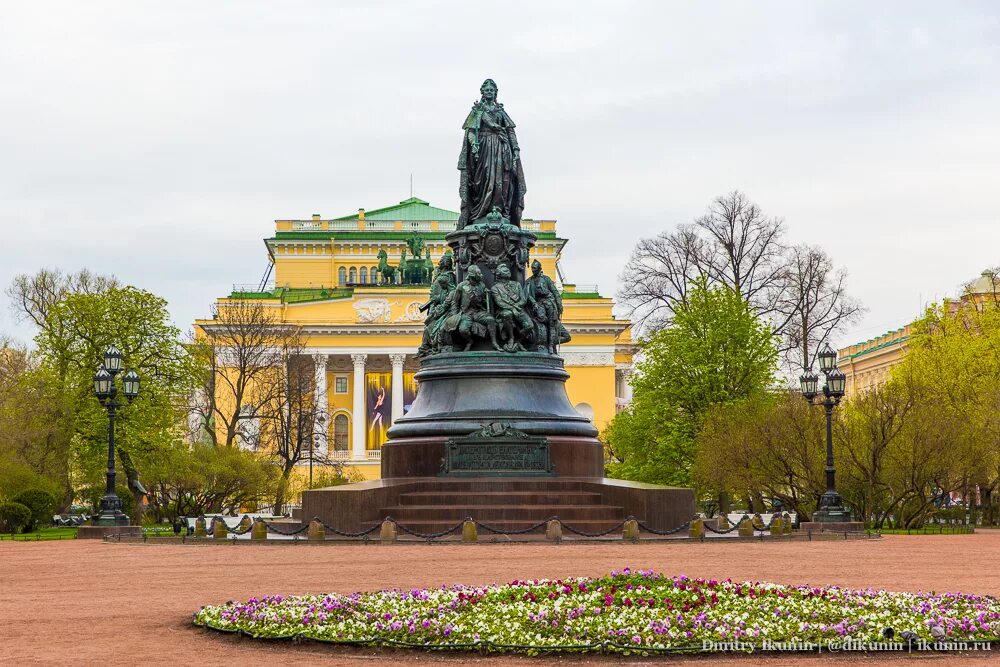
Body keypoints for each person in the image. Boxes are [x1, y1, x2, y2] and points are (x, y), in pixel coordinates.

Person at [457, 79, 527, 228]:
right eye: (487, 90)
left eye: (492, 90)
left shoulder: (500, 112)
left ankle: (500, 210)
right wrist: (473, 144)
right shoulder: (477, 111)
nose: (489, 92)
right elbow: (471, 132)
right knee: (482, 179)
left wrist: (515, 149)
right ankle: (480, 213)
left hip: (501, 148)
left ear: (495, 93)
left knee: (501, 181)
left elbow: (510, 131)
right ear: (482, 92)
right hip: (483, 148)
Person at [442, 265, 498, 351]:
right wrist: (454, 315)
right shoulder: (461, 286)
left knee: (490, 320)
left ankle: (494, 342)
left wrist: (486, 297)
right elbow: (455, 303)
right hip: (466, 313)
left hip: (478, 312)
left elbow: (484, 302)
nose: (481, 275)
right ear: (472, 275)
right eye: (479, 273)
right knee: (463, 330)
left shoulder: (482, 285)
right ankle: (469, 341)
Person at [490, 264, 535, 352]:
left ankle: (518, 340)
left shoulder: (517, 284)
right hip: (504, 310)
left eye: (508, 270)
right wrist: (512, 308)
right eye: (505, 271)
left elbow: (523, 299)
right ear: (499, 274)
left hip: (518, 309)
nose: (508, 271)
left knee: (530, 326)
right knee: (507, 314)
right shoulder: (495, 288)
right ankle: (511, 338)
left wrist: (516, 306)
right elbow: (499, 302)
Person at [525, 259, 567, 353]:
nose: (533, 269)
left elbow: (555, 292)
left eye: (535, 268)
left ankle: (551, 345)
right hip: (539, 303)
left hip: (549, 302)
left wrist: (559, 305)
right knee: (541, 317)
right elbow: (528, 295)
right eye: (532, 268)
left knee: (552, 323)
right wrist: (534, 303)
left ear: (539, 268)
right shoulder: (529, 281)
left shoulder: (546, 279)